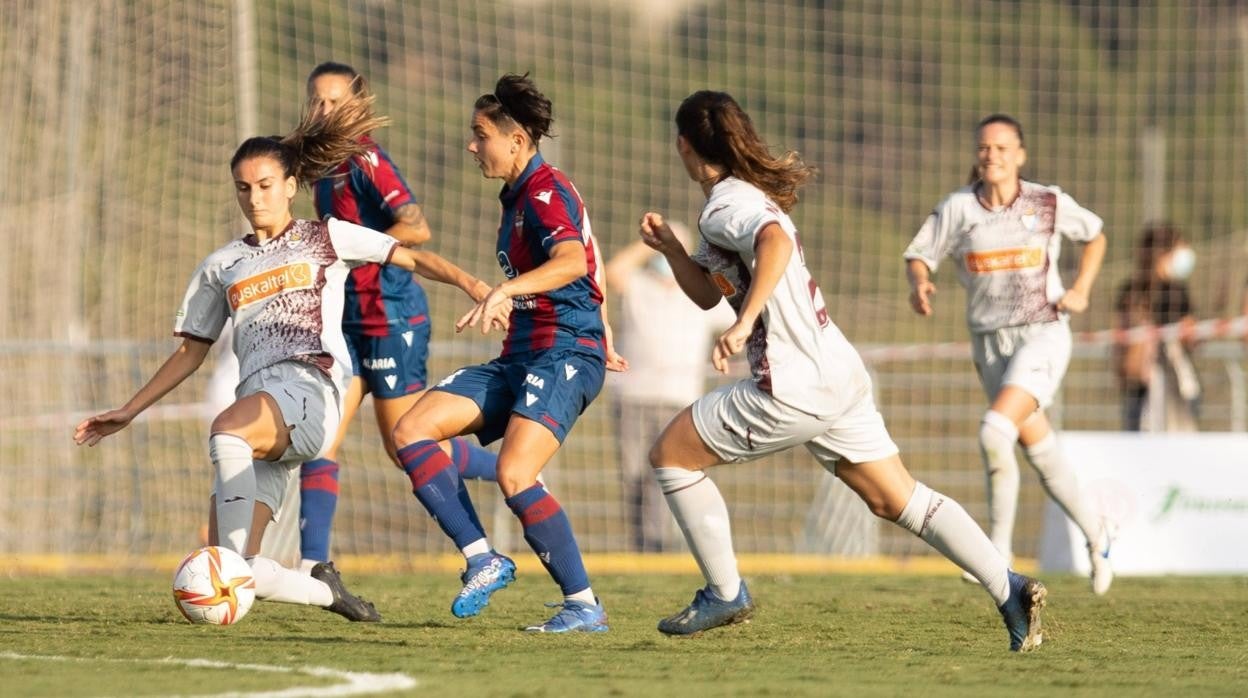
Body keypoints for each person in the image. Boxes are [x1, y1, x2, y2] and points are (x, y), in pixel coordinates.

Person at [641, 90, 1046, 652]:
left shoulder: (727, 206)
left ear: (684, 146)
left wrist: (746, 322)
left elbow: (774, 241)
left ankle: (725, 591)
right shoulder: (741, 198)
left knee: (669, 457)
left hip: (789, 385)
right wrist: (672, 250)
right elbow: (710, 297)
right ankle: (1010, 588)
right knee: (896, 499)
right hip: (836, 373)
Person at [73, 93, 492, 622]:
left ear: (293, 186)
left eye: (266, 185)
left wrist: (473, 283)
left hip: (310, 390)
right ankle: (328, 593)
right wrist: (128, 411)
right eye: (243, 188)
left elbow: (410, 256)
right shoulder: (221, 265)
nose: (255, 198)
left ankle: (221, 568)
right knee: (242, 565)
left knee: (225, 435)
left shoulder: (324, 237)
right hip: (264, 413)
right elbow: (188, 353)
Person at [391, 73, 625, 633]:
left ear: (516, 139)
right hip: (524, 352)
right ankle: (482, 557)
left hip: (564, 350)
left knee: (517, 474)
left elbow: (572, 261)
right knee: (412, 429)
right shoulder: (521, 196)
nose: (472, 146)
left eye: (480, 134)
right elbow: (589, 258)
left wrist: (507, 290)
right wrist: (608, 323)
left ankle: (584, 604)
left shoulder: (545, 192)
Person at [296, 62, 498, 575]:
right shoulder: (322, 161)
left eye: (334, 101)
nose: (324, 110)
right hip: (346, 319)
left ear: (357, 105)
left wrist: (358, 245)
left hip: (391, 316)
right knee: (319, 439)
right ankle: (313, 566)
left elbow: (417, 227)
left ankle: (514, 472)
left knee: (404, 445)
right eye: (316, 100)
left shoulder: (366, 157)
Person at [903, 113, 1113, 595]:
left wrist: (1080, 288)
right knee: (1036, 450)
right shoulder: (958, 208)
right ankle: (1097, 533)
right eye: (984, 148)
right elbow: (919, 253)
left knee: (994, 431)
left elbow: (1096, 235)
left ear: (1020, 155)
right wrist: (920, 284)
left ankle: (997, 550)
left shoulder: (1047, 202)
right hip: (989, 342)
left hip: (1042, 333)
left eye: (1001, 148)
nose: (991, 156)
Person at [604, 225, 733, 552]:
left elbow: (735, 305)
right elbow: (611, 273)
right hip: (633, 398)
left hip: (679, 401)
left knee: (669, 478)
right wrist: (651, 244)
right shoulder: (638, 284)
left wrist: (695, 259)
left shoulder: (702, 294)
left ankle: (668, 546)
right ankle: (644, 549)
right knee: (635, 479)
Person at [1113, 223, 1201, 431]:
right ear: (1164, 252)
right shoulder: (1175, 291)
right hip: (1168, 385)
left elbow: (1120, 336)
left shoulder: (1129, 289)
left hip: (1138, 384)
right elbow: (1192, 337)